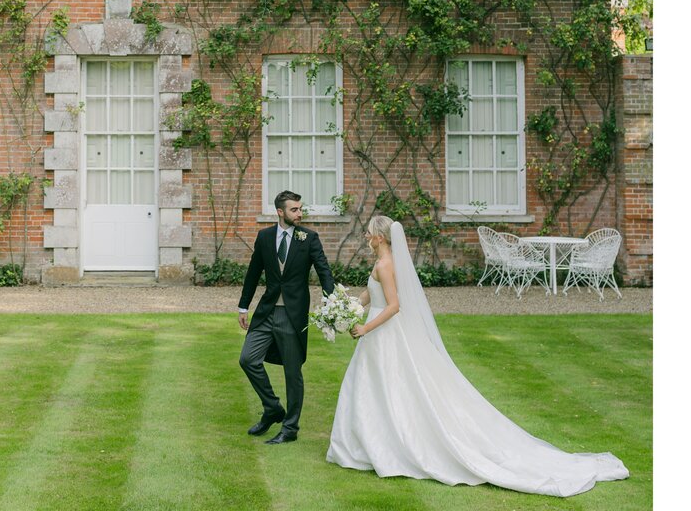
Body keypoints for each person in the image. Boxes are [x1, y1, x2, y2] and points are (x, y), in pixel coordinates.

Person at [326, 216, 629, 496]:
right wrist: (342, 306)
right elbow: (369, 296)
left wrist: (365, 327)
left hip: (385, 334)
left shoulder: (386, 265)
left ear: (379, 236)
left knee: (392, 387)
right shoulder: (380, 263)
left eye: (368, 231)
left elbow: (393, 306)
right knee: (374, 389)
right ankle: (369, 445)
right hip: (378, 335)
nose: (365, 234)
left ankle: (388, 446)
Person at [238, 191, 335, 444]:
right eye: (294, 210)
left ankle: (290, 428)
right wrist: (243, 306)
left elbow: (324, 271)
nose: (299, 213)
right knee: (248, 359)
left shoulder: (309, 238)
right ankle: (272, 408)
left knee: (293, 372)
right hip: (267, 312)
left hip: (292, 314)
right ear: (280, 212)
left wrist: (331, 301)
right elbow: (253, 273)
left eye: (300, 209)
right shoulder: (265, 237)